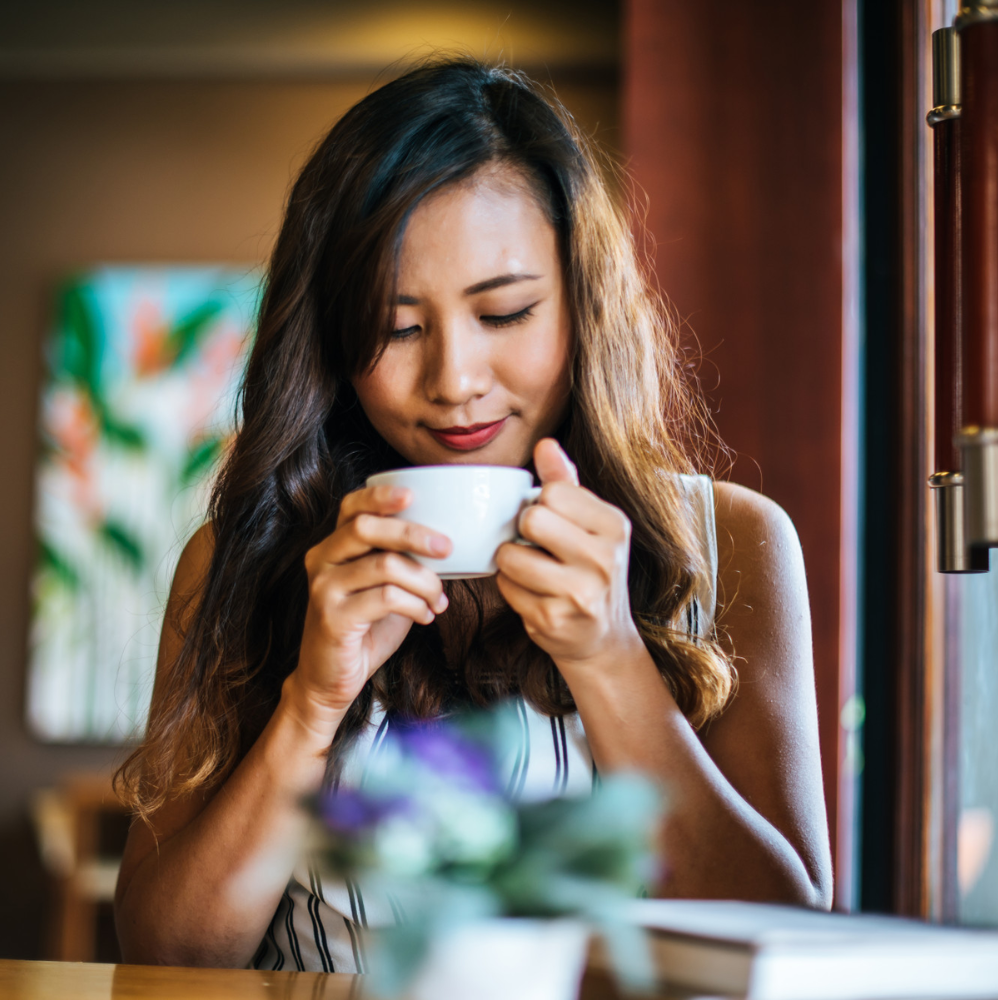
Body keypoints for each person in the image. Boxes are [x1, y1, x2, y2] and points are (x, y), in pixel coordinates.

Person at [113, 58, 833, 972]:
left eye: (506, 312)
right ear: (333, 340)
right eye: (399, 326)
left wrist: (611, 661)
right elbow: (161, 956)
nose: (454, 381)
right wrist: (312, 705)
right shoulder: (239, 557)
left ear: (582, 308)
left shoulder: (733, 543)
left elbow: (792, 941)